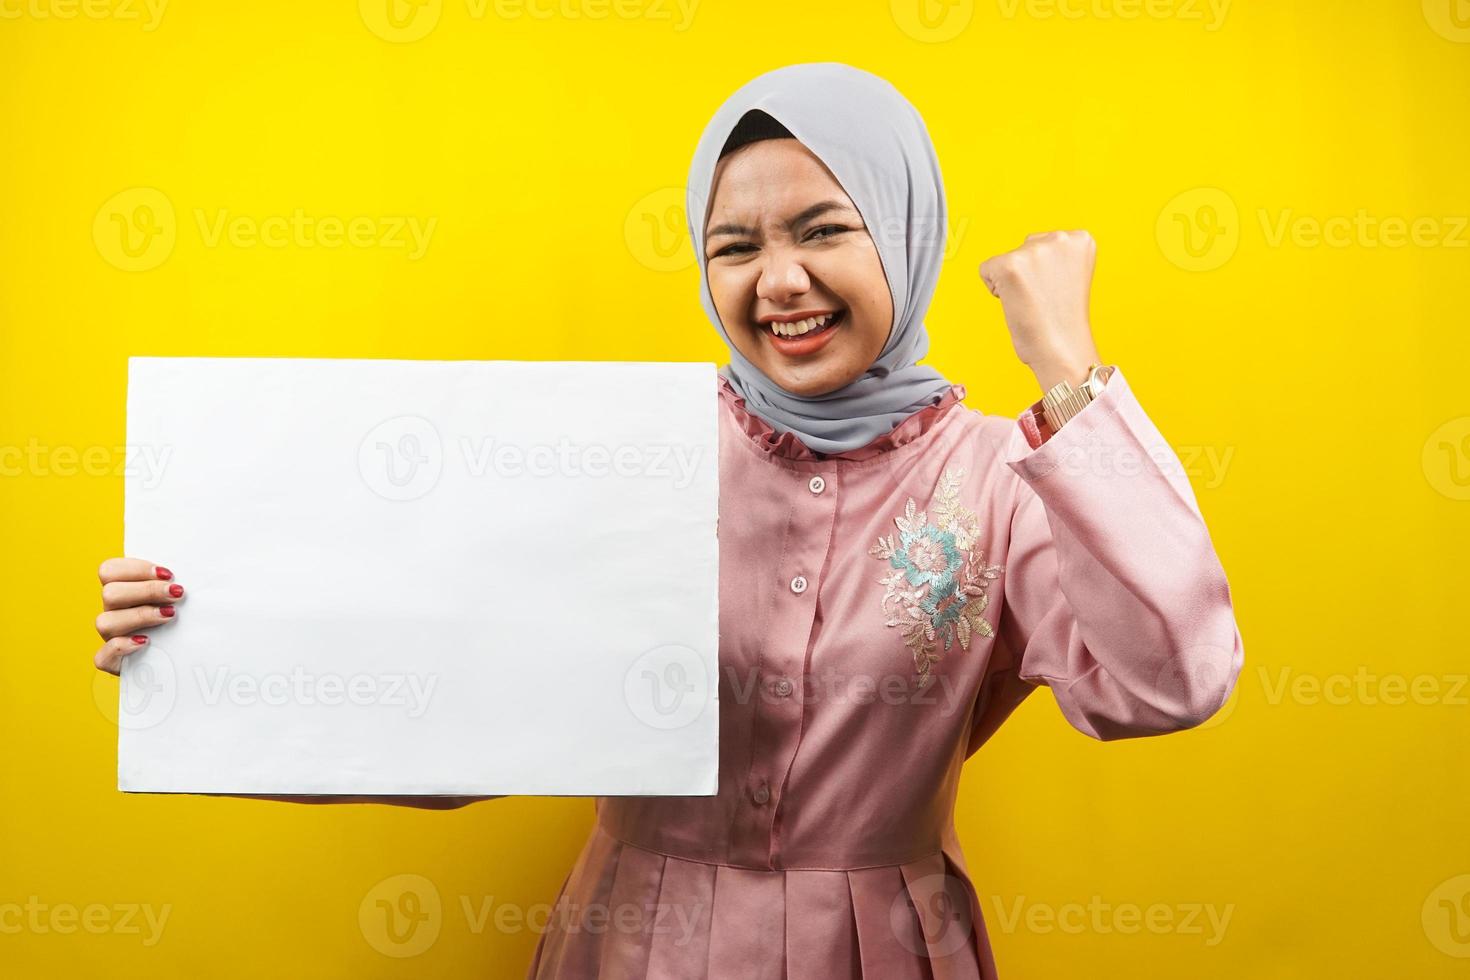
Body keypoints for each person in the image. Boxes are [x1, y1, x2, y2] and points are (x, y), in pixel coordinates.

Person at [92, 62, 1243, 978]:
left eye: (824, 229)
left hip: (885, 951)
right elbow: (463, 701)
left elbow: (1170, 680)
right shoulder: (633, 453)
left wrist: (1068, 368)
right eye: (734, 246)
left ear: (905, 228)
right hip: (633, 944)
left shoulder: (1006, 471)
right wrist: (202, 648)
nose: (778, 280)